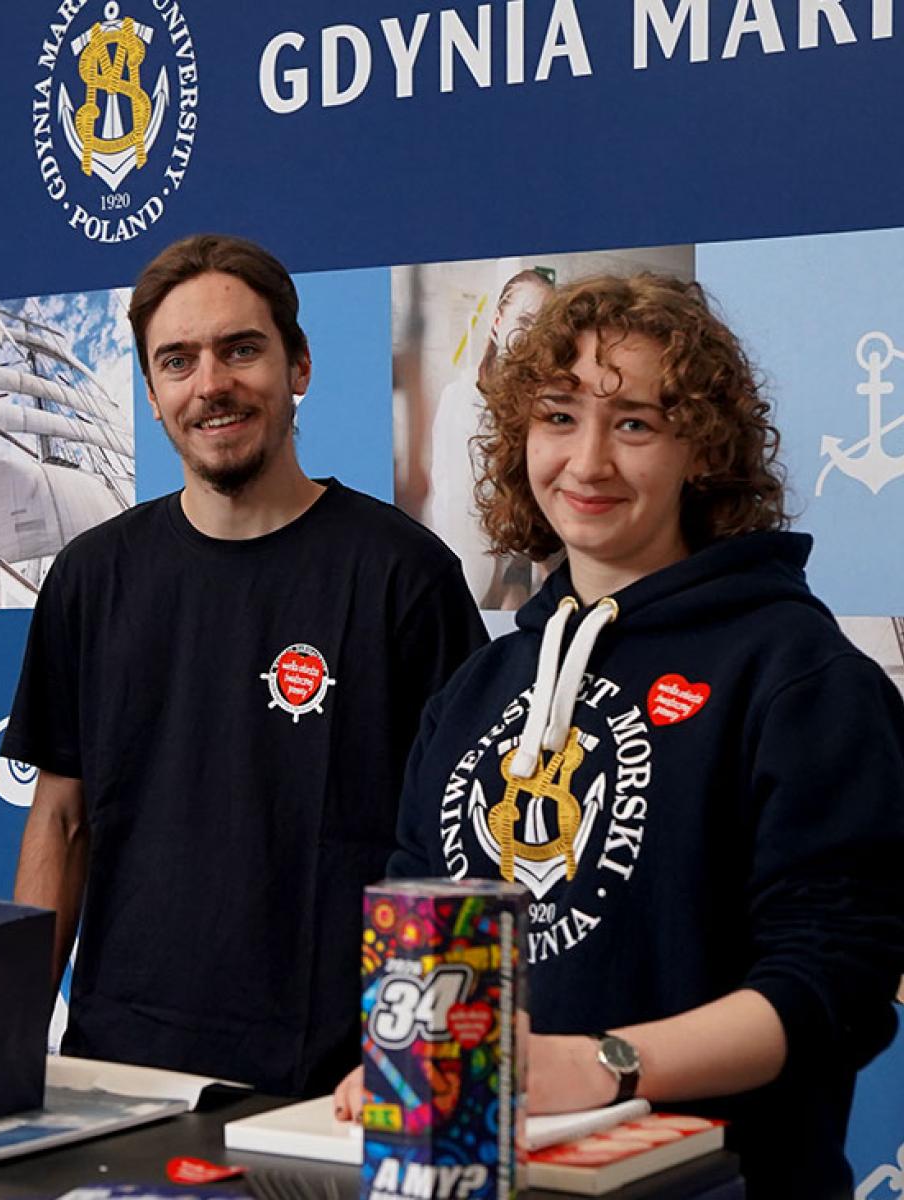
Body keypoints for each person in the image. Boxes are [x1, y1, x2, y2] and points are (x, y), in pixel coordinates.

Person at [332, 274, 904, 1197]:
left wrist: (605, 1064)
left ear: (701, 450)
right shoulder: (476, 691)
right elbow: (420, 940)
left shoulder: (799, 677)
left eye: (634, 423)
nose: (588, 462)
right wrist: (399, 1063)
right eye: (559, 417)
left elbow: (835, 983)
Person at [4, 234, 486, 1097]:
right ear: (152, 393)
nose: (210, 384)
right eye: (178, 361)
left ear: (298, 365)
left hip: (336, 1081)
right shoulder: (90, 578)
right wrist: (5, 1046)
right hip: (120, 1070)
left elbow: (460, 852)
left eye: (240, 350)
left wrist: (418, 1071)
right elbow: (61, 820)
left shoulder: (404, 576)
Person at [426, 268, 555, 608]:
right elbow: (458, 504)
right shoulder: (460, 398)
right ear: (497, 322)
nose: (531, 337)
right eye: (524, 321)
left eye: (543, 328)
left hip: (524, 560)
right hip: (475, 565)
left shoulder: (547, 404)